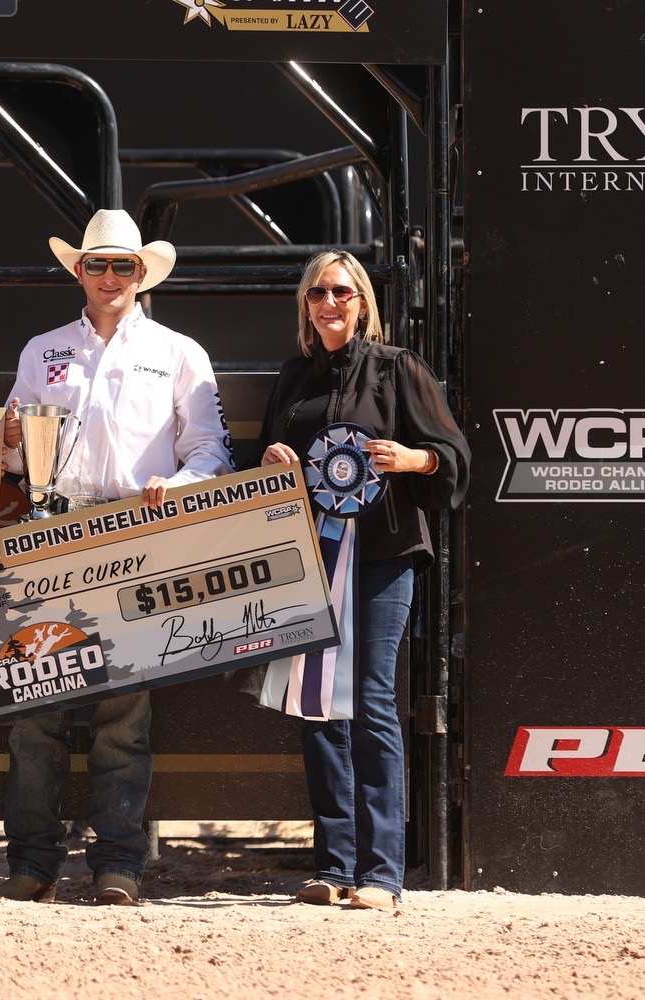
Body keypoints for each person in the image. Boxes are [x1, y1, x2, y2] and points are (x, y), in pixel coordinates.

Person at [0, 209, 234, 905]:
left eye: (120, 266)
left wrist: (181, 484)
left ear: (141, 274)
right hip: (52, 525)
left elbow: (212, 450)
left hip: (137, 530)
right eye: (95, 264)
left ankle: (117, 864)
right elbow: (14, 458)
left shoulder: (179, 351)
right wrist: (8, 436)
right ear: (78, 271)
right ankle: (32, 862)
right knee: (34, 707)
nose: (107, 277)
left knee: (123, 714)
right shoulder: (42, 351)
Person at [259, 250, 468, 909]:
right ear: (305, 305)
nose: (329, 302)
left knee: (372, 699)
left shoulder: (398, 369)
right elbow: (264, 463)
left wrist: (415, 457)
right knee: (317, 705)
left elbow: (456, 456)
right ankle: (333, 865)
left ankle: (381, 873)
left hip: (383, 555)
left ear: (363, 303)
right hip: (308, 559)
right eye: (317, 292)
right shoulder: (295, 378)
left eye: (342, 292)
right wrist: (271, 456)